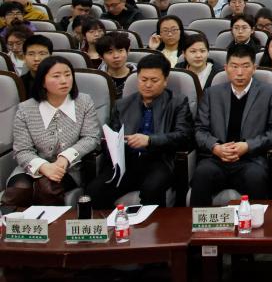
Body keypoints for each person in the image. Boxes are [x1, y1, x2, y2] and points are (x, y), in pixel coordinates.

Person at [85, 54, 193, 208]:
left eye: (154, 80)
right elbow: (112, 136)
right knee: (94, 190)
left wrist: (149, 140)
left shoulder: (177, 102)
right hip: (126, 162)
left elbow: (184, 136)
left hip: (160, 161)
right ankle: (109, 223)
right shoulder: (122, 105)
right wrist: (116, 144)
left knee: (151, 189)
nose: (148, 85)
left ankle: (151, 225)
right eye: (143, 79)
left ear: (165, 81)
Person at [191, 43, 272, 206]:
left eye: (245, 66)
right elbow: (200, 130)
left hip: (251, 159)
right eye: (234, 66)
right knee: (202, 173)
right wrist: (215, 147)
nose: (239, 72)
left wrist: (247, 146)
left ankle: (258, 221)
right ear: (226, 68)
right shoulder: (211, 94)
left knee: (255, 177)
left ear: (254, 68)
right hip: (217, 159)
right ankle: (199, 223)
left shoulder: (270, 93)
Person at [4, 55, 99, 207]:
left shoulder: (84, 102)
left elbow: (91, 137)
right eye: (56, 76)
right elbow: (22, 150)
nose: (64, 80)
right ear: (42, 81)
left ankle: (51, 223)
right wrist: (44, 167)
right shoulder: (26, 109)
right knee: (20, 188)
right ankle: (10, 221)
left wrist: (65, 158)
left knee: (48, 188)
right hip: (31, 167)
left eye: (68, 75)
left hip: (68, 169)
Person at [95, 32, 135, 98]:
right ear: (101, 57)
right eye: (110, 52)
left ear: (128, 51)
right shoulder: (96, 79)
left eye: (120, 50)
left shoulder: (139, 77)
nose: (116, 56)